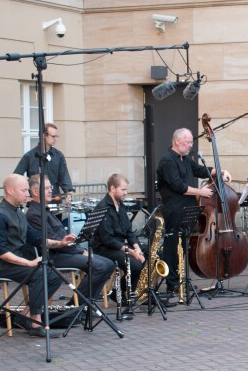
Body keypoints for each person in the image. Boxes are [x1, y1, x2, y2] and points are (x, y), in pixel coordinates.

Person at [0, 174, 75, 337]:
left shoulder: (18, 212)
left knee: (54, 275)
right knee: (39, 273)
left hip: (12, 262)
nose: (28, 194)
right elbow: (1, 252)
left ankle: (24, 316)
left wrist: (60, 243)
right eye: (24, 190)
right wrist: (28, 263)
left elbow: (37, 238)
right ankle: (35, 322)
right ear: (10, 190)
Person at [156, 128, 230, 292]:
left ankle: (182, 280)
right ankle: (172, 282)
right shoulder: (167, 161)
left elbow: (200, 170)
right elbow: (177, 186)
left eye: (191, 142)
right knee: (172, 245)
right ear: (177, 141)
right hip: (174, 209)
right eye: (188, 142)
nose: (191, 145)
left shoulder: (185, 159)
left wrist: (220, 171)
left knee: (183, 245)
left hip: (187, 208)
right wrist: (200, 192)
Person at [26, 174, 115, 304]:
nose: (51, 190)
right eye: (46, 188)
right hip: (54, 256)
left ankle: (86, 304)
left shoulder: (44, 210)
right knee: (100, 266)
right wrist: (80, 251)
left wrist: (79, 250)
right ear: (34, 192)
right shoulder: (34, 213)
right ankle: (76, 306)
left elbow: (63, 239)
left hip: (64, 252)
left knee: (109, 264)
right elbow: (54, 240)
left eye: (50, 187)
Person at [91, 174, 145, 303]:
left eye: (126, 190)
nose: (126, 193)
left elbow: (128, 231)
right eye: (123, 190)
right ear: (113, 188)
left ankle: (140, 291)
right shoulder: (102, 207)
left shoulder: (120, 206)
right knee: (135, 266)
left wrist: (137, 248)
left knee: (149, 253)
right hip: (105, 249)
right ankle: (118, 293)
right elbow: (108, 239)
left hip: (119, 245)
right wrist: (131, 252)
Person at [14, 123, 74, 200]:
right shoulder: (29, 156)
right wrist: (25, 193)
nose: (56, 139)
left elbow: (64, 176)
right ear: (44, 135)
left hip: (54, 198)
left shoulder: (59, 156)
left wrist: (68, 193)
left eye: (56, 136)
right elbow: (16, 177)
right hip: (36, 200)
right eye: (53, 136)